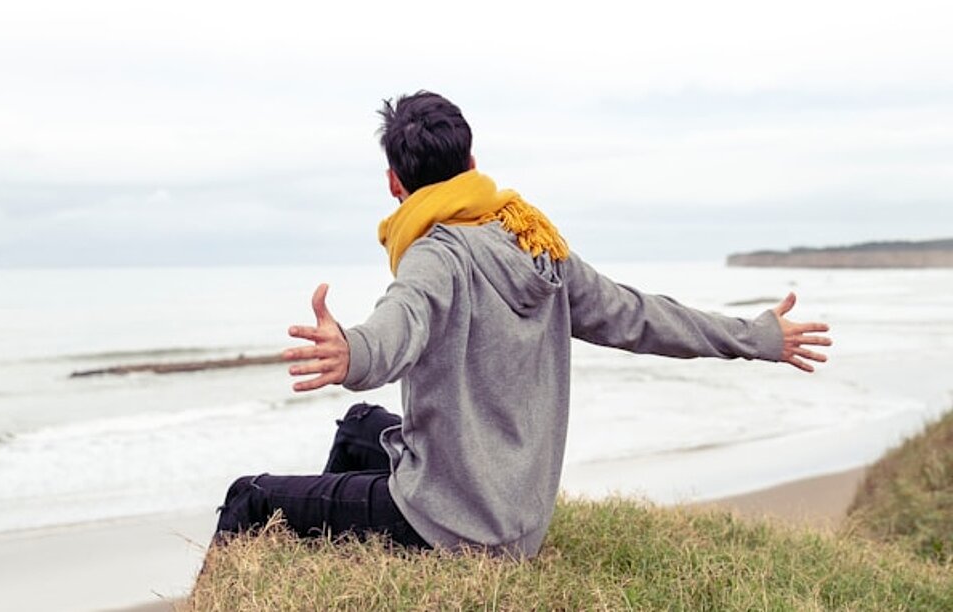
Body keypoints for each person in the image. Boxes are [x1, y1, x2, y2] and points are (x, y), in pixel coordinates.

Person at [213, 91, 832, 557]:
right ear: (472, 162)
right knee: (358, 429)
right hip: (519, 517)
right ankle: (346, 563)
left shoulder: (436, 253)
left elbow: (399, 322)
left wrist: (355, 352)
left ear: (394, 183)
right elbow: (639, 315)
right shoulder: (534, 241)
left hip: (454, 525)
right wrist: (757, 338)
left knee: (251, 497)